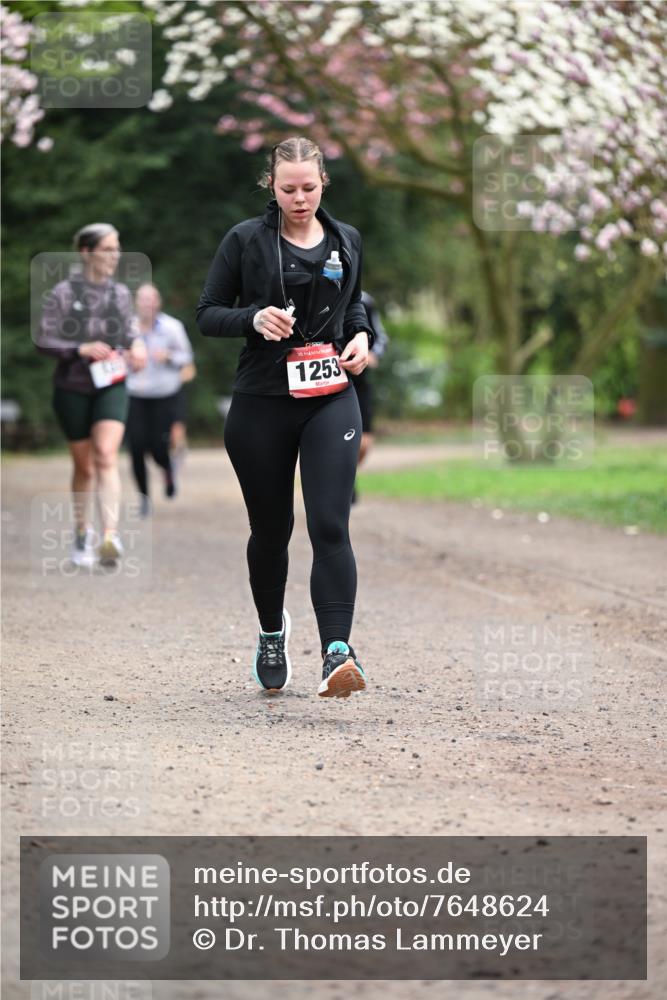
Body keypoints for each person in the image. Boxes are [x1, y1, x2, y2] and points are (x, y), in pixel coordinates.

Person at [197, 136, 374, 699]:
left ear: (323, 184)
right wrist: (252, 318)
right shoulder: (245, 240)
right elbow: (208, 313)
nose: (300, 199)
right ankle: (272, 632)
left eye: (309, 188)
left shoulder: (346, 239)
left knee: (330, 524)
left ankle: (337, 652)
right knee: (272, 532)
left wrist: (362, 336)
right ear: (270, 187)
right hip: (262, 401)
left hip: (330, 397)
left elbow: (354, 304)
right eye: (289, 189)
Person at [36, 223, 147, 567]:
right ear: (86, 252)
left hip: (111, 384)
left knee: (106, 454)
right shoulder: (63, 293)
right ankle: (83, 533)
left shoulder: (120, 294)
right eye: (108, 249)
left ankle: (110, 536)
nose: (116, 255)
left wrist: (137, 346)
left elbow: (130, 332)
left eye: (118, 248)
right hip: (72, 388)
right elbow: (43, 339)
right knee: (84, 466)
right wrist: (79, 348)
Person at [125, 283, 194, 516]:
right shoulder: (127, 327)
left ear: (158, 302)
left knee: (158, 447)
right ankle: (144, 498)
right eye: (143, 299)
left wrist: (169, 357)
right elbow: (115, 354)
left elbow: (187, 357)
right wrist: (127, 357)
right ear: (137, 303)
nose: (147, 304)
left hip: (164, 395)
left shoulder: (172, 327)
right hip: (134, 395)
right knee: (136, 447)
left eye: (151, 299)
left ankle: (168, 469)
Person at [350, 290, 389, 502]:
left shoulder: (365, 301)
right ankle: (340, 481)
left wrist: (374, 354)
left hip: (359, 382)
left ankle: (347, 474)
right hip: (328, 380)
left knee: (364, 443)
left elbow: (381, 336)